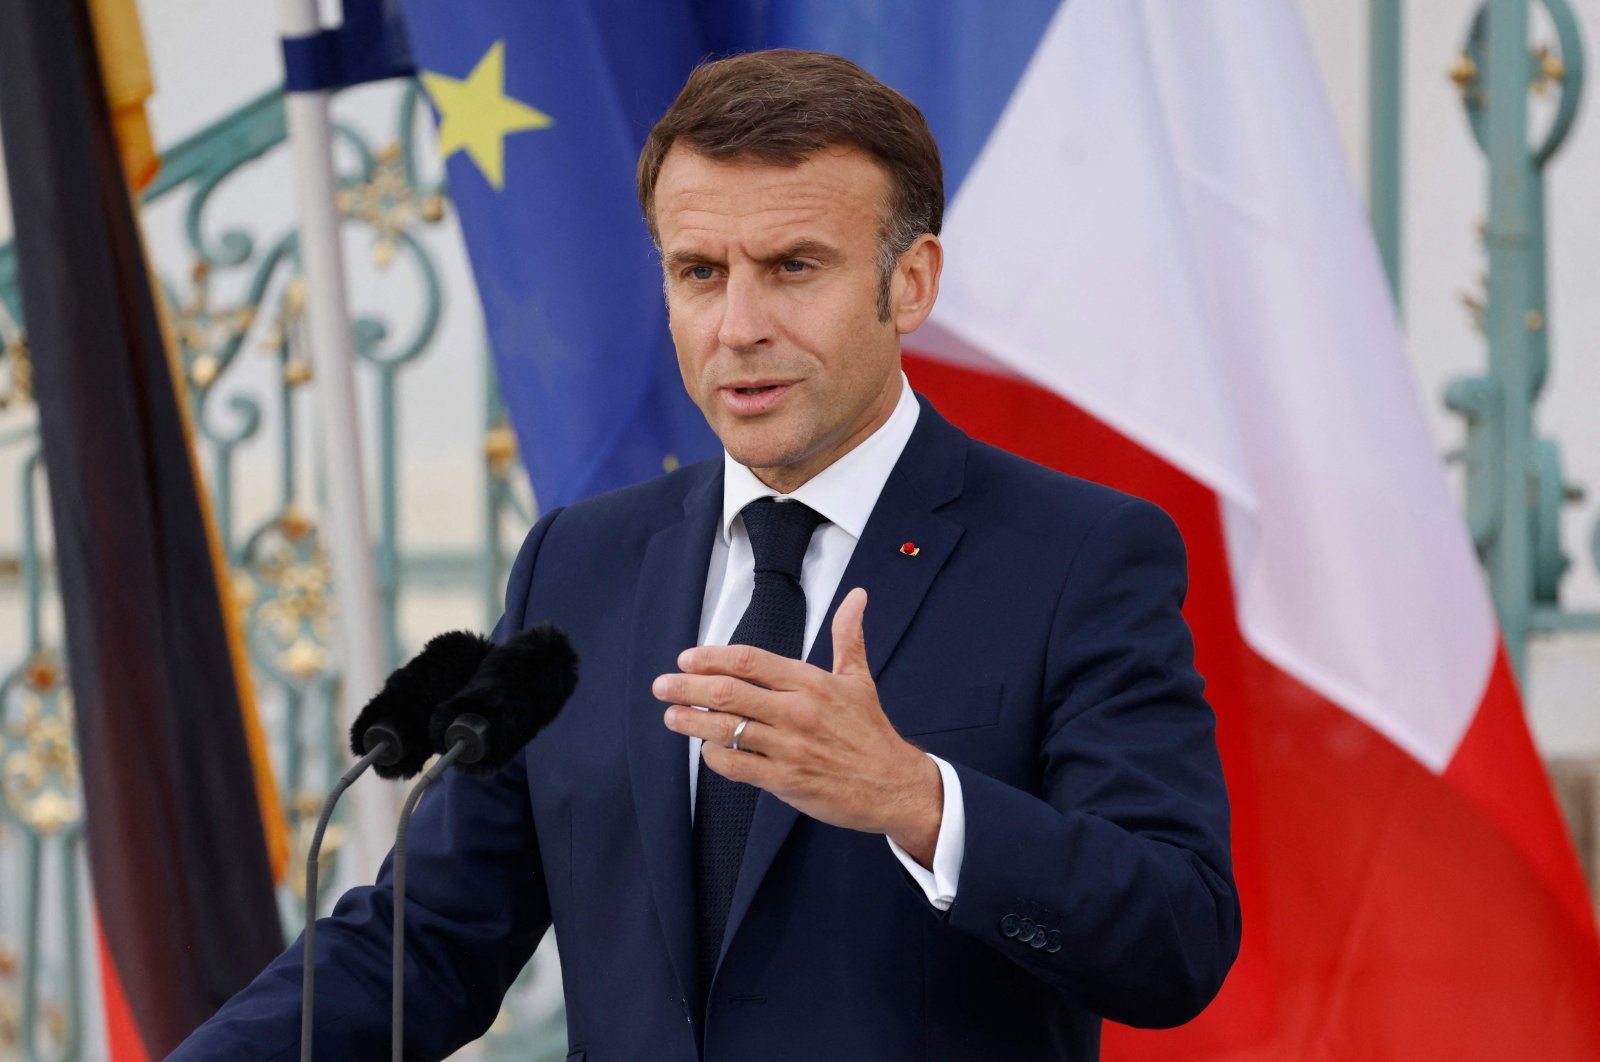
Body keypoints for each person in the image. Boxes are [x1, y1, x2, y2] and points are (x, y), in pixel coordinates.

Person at [174, 48, 1239, 1061]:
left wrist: (918, 801)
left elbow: (1173, 939)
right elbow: (427, 940)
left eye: (792, 268)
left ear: (908, 283)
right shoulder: (579, 563)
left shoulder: (1078, 556)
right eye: (697, 271)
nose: (737, 324)